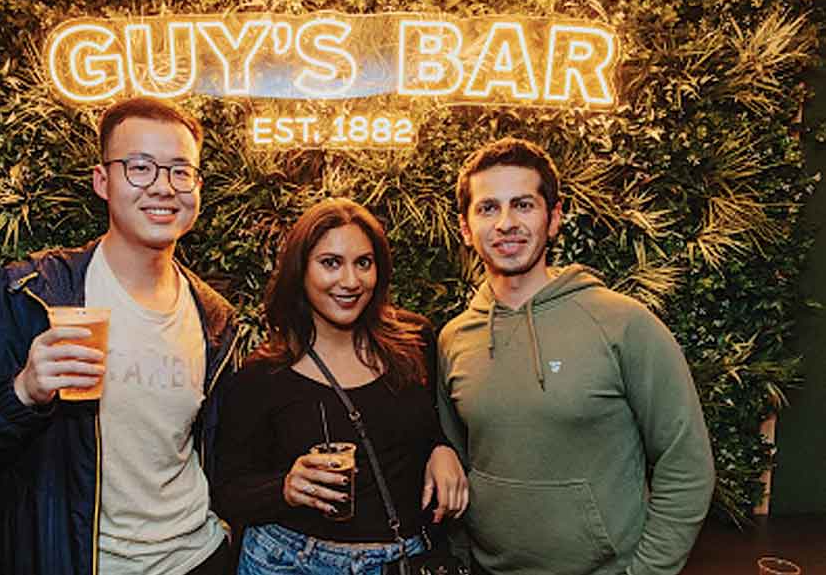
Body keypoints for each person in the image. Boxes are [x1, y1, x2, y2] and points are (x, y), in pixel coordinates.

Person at [0, 96, 238, 575]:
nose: (162, 187)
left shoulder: (215, 318)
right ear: (102, 182)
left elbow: (216, 448)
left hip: (197, 556)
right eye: (140, 167)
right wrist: (21, 392)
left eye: (179, 170)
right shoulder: (30, 295)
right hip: (79, 562)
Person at [437, 137, 716, 575]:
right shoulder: (455, 338)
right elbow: (452, 460)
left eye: (523, 205)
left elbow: (686, 464)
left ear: (554, 218)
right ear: (466, 228)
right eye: (488, 208)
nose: (506, 223)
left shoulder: (624, 325)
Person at [215, 198, 468, 575]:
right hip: (292, 561)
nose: (350, 282)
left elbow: (424, 430)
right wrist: (285, 487)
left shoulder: (414, 342)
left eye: (363, 263)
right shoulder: (262, 377)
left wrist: (442, 450)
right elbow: (227, 492)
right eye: (331, 263)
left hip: (401, 559)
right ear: (301, 271)